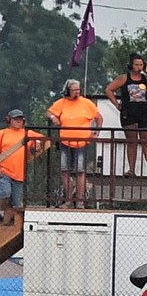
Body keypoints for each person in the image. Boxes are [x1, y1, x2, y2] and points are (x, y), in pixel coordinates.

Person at [46, 79, 103, 209]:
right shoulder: (62, 103)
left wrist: (96, 132)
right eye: (74, 90)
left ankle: (80, 201)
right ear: (67, 91)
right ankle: (68, 200)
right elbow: (49, 112)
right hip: (65, 142)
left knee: (80, 171)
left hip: (81, 142)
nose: (77, 92)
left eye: (78, 89)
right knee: (65, 169)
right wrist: (53, 117)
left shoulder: (87, 103)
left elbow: (99, 118)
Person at [105, 53, 147, 177]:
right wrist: (117, 105)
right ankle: (131, 169)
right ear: (131, 65)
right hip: (129, 113)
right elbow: (109, 89)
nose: (138, 67)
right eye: (136, 64)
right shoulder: (124, 78)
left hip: (145, 112)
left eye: (141, 64)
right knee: (131, 142)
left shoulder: (145, 78)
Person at [0, 109, 46, 226]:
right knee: (5, 192)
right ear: (9, 120)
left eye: (21, 119)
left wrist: (36, 146)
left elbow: (42, 139)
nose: (19, 121)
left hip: (19, 174)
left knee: (16, 203)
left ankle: (6, 223)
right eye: (16, 119)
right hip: (4, 170)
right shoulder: (3, 133)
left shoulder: (27, 133)